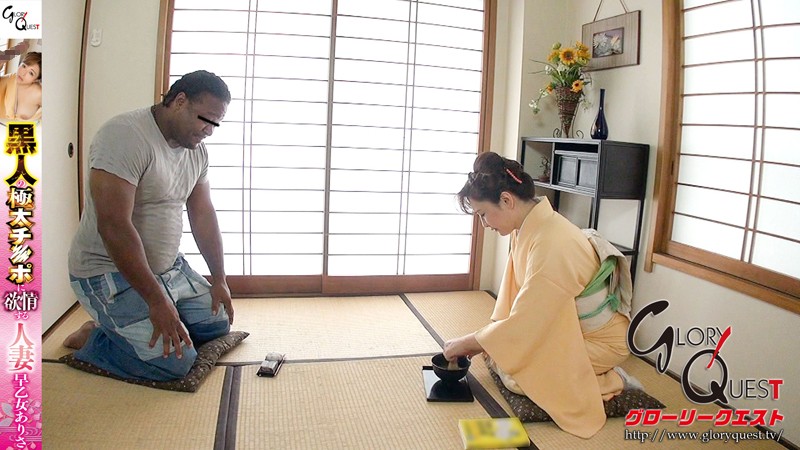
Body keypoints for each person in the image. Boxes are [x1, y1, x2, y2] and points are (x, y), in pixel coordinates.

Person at [443, 152, 641, 438]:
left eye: (483, 214)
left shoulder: (552, 243)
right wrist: (490, 340)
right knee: (504, 358)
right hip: (564, 328)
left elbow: (526, 321)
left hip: (600, 341)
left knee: (521, 379)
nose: (484, 224)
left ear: (507, 200)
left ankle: (612, 380)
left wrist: (470, 342)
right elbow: (517, 298)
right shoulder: (525, 227)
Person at [64, 70, 235, 381]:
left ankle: (134, 327)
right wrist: (156, 300)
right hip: (107, 272)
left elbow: (203, 214)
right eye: (205, 120)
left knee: (217, 322)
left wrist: (220, 279)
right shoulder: (124, 136)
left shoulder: (197, 152)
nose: (209, 131)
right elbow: (113, 225)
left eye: (215, 123)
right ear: (180, 101)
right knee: (176, 362)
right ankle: (95, 338)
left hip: (169, 270)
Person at [0, 51, 42, 121]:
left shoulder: (39, 93)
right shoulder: (9, 79)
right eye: (24, 66)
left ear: (36, 80)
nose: (23, 73)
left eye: (31, 73)